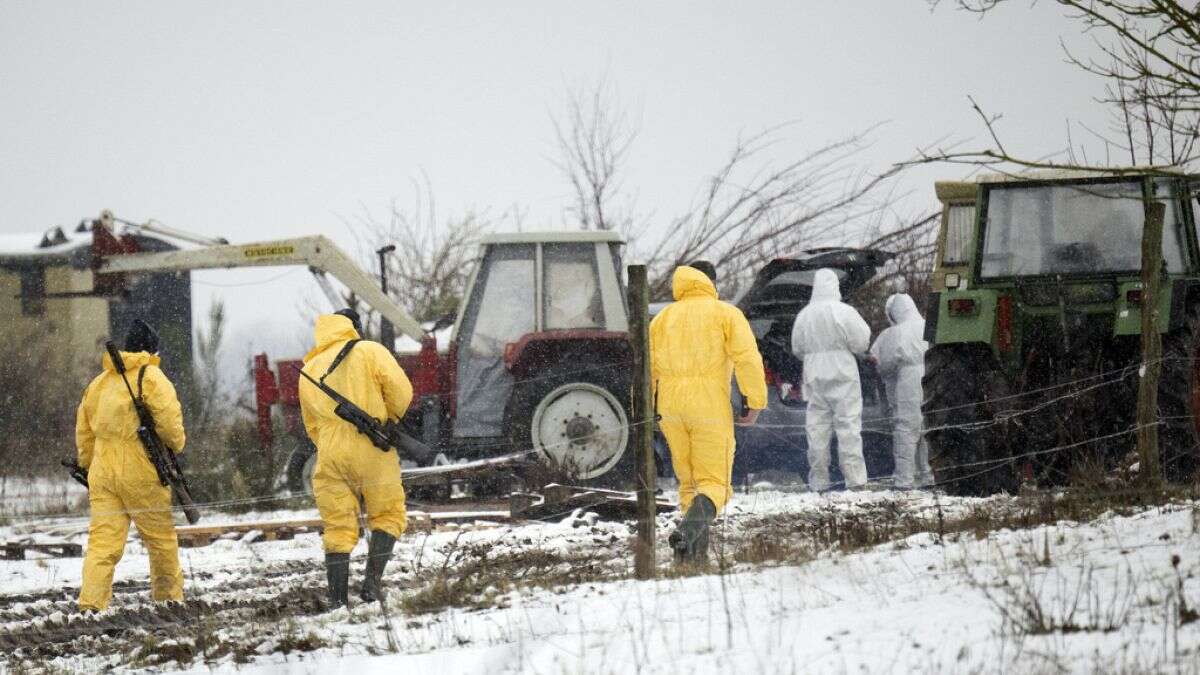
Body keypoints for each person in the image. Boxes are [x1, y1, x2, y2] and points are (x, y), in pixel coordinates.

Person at [650, 266, 767, 563]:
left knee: (689, 483)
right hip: (708, 405)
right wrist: (754, 401)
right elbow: (747, 358)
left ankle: (691, 559)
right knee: (716, 484)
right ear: (710, 282)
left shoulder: (662, 319)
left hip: (669, 407)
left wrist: (644, 411)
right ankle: (687, 532)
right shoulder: (725, 313)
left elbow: (646, 368)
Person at [299, 308, 413, 608]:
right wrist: (390, 419)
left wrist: (330, 443)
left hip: (329, 454)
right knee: (388, 514)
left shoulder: (309, 368)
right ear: (354, 327)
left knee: (337, 526)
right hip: (372, 447)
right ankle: (372, 586)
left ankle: (337, 600)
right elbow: (402, 392)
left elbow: (310, 424)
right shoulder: (369, 350)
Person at [77, 319, 186, 611]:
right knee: (160, 540)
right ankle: (168, 601)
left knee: (102, 543)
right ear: (151, 349)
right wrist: (177, 446)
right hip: (141, 469)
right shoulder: (151, 377)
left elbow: (84, 434)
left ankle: (91, 604)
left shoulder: (98, 383)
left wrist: (88, 467)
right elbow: (171, 428)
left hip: (102, 472)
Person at [791, 268, 872, 492]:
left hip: (814, 374)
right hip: (843, 372)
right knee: (848, 427)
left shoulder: (804, 315)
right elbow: (861, 342)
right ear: (835, 286)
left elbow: (797, 348)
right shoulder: (844, 311)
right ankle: (855, 481)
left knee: (816, 430)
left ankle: (819, 481)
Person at [869, 293, 935, 490]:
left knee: (906, 428)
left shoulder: (893, 334)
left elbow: (882, 364)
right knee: (927, 428)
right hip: (933, 375)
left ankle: (904, 480)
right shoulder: (930, 326)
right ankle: (929, 475)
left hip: (909, 380)